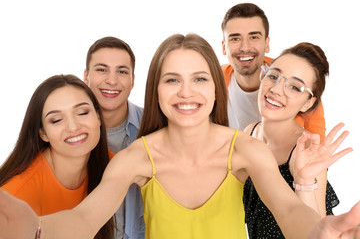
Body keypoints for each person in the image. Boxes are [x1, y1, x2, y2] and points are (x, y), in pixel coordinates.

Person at [0, 33, 357, 239]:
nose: (186, 92)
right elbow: (83, 219)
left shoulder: (246, 151)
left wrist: (319, 230)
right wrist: (38, 228)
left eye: (199, 79)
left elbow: (290, 210)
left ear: (217, 89)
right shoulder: (135, 158)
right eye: (172, 80)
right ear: (155, 90)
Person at [242, 42, 341, 238]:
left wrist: (303, 181)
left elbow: (317, 232)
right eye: (273, 75)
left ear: (308, 103)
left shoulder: (306, 151)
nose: (277, 89)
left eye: (295, 87)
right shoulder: (250, 132)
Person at [0, 74, 115, 239]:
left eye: (82, 112)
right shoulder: (17, 194)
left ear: (98, 117)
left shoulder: (112, 165)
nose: (73, 127)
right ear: (43, 133)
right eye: (56, 120)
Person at [221, 3, 326, 142]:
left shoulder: (300, 87)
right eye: (235, 38)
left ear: (267, 43)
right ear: (224, 47)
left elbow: (317, 149)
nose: (244, 47)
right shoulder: (212, 80)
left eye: (254, 37)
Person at [83, 36, 144, 239]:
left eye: (122, 71)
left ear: (133, 80)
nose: (112, 80)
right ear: (86, 76)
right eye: (102, 69)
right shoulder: (69, 133)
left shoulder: (154, 127)